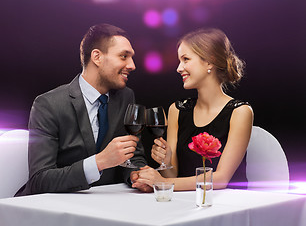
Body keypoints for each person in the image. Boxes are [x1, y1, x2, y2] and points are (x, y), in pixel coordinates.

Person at [16, 23, 151, 196]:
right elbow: (40, 180)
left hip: (107, 205)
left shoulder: (126, 97)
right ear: (97, 57)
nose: (132, 65)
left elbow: (133, 156)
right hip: (52, 209)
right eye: (124, 56)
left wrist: (137, 175)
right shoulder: (48, 104)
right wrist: (99, 162)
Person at [133, 28, 253, 191]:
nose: (179, 68)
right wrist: (166, 162)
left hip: (228, 206)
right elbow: (173, 175)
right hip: (186, 203)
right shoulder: (177, 109)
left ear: (209, 62)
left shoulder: (240, 112)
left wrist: (161, 182)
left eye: (186, 59)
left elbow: (220, 179)